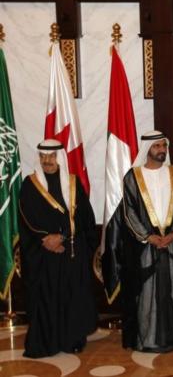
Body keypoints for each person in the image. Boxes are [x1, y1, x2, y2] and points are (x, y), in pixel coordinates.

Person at [103, 131, 173, 352]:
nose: (162, 150)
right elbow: (129, 212)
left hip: (172, 243)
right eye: (157, 146)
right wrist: (148, 237)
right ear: (147, 149)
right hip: (144, 246)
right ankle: (148, 339)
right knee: (146, 294)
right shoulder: (132, 177)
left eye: (164, 145)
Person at [18, 139, 97, 358]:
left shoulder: (73, 183)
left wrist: (62, 237)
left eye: (52, 156)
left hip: (70, 250)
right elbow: (26, 217)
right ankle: (46, 342)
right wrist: (46, 239)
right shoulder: (30, 184)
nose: (47, 161)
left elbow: (84, 217)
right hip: (44, 253)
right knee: (47, 298)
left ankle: (72, 339)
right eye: (43, 156)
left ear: (59, 157)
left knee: (72, 296)